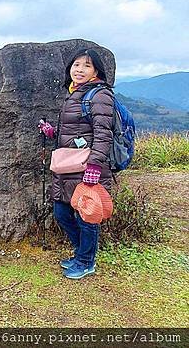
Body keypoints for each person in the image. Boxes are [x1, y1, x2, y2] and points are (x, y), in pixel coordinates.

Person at [38, 49, 114, 280]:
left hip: (86, 169)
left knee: (86, 216)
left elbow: (103, 134)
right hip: (68, 168)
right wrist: (53, 133)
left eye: (87, 66)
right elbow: (77, 131)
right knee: (62, 213)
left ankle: (85, 261)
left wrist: (94, 167)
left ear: (96, 71)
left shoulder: (99, 95)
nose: (79, 70)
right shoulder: (75, 94)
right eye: (76, 65)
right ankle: (82, 253)